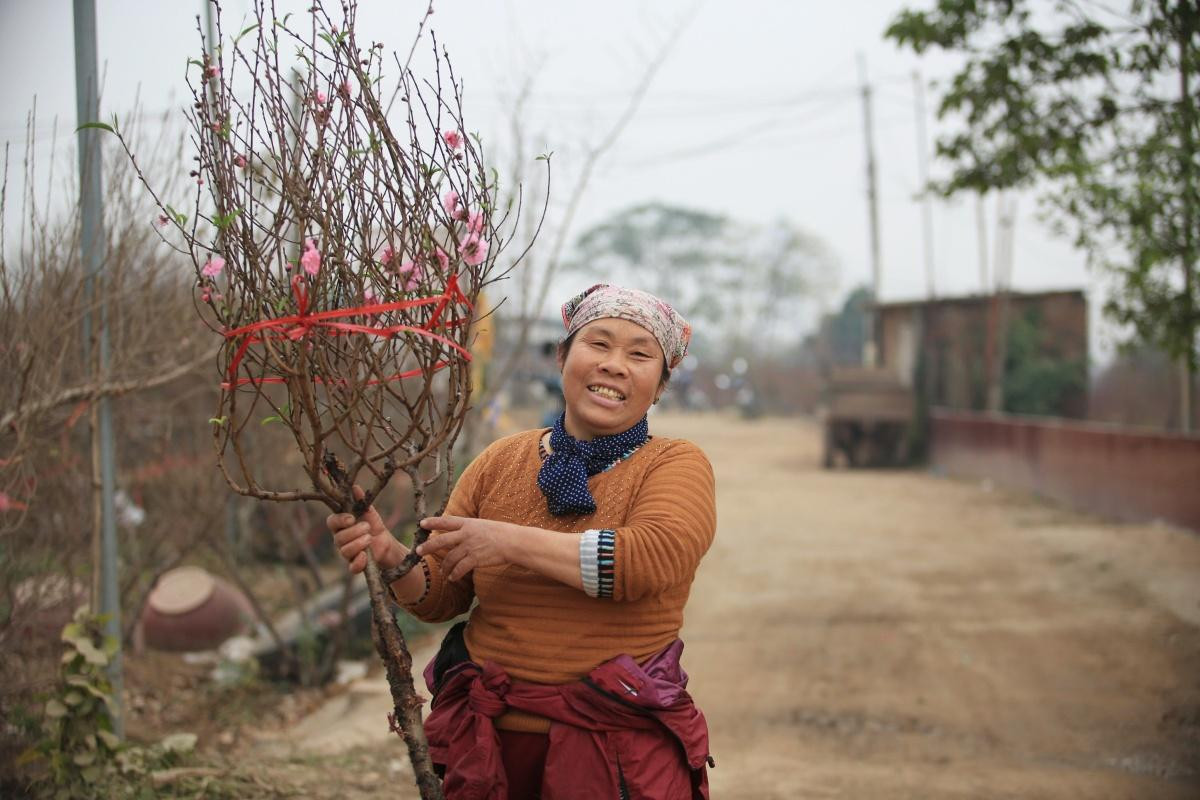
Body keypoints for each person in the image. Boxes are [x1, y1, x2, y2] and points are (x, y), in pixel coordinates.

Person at [327, 283, 716, 799]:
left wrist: (510, 543)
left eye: (640, 355)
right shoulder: (501, 460)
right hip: (491, 749)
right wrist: (392, 556)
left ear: (661, 385)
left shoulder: (674, 464)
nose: (615, 365)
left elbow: (648, 560)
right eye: (598, 344)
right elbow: (444, 590)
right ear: (563, 356)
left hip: (616, 751)